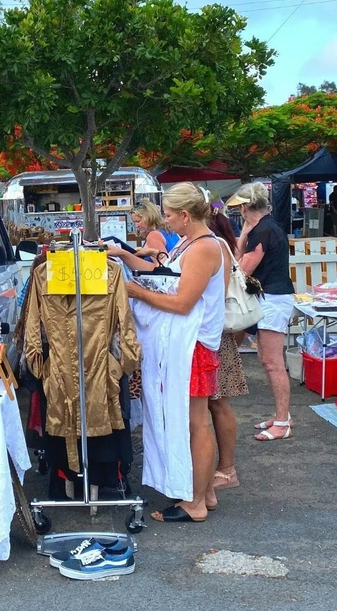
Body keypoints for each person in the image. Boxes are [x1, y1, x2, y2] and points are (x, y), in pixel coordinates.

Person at [126, 183, 227, 522]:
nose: (165, 221)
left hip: (193, 346)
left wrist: (135, 293)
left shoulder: (204, 248)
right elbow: (172, 281)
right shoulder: (192, 242)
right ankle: (205, 493)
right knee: (194, 422)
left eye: (168, 215)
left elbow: (183, 303)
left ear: (185, 215)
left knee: (196, 423)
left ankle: (196, 503)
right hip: (190, 344)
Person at [227, 183, 295, 441]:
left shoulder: (264, 230)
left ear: (244, 208)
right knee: (268, 360)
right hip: (272, 297)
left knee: (272, 362)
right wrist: (244, 234)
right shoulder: (266, 227)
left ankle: (282, 421)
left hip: (273, 298)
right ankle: (282, 416)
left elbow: (241, 268)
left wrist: (243, 237)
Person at [206, 207, 249, 497]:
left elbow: (216, 294)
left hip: (216, 333)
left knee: (218, 403)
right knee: (215, 403)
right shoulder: (218, 242)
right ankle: (224, 467)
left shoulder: (214, 244)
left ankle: (227, 469)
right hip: (217, 333)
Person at [106, 199, 173, 272]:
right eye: (134, 222)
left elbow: (163, 268)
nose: (136, 226)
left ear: (149, 218)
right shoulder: (168, 231)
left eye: (138, 221)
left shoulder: (153, 235)